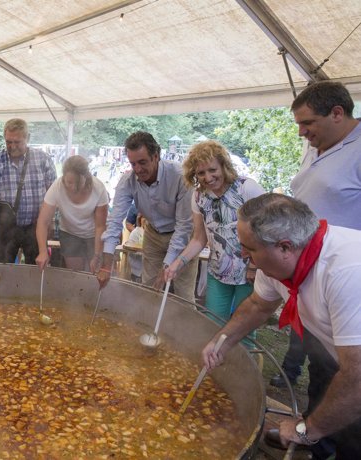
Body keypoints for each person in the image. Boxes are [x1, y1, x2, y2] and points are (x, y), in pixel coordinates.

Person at [201, 193, 361, 459]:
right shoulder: (276, 264)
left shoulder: (346, 271)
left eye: (249, 248)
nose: (242, 254)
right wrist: (222, 341)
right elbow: (257, 306)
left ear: (285, 247)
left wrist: (306, 430)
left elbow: (357, 377)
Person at [270, 80, 361, 390]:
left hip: (342, 276)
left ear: (337, 113)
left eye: (307, 123)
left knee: (336, 369)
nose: (301, 132)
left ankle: (322, 435)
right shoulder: (317, 145)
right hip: (306, 271)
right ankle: (311, 430)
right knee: (317, 357)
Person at [164, 141, 264, 329]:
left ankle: (243, 358)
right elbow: (199, 239)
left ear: (223, 166)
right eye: (201, 173)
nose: (208, 178)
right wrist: (177, 264)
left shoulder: (246, 188)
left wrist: (254, 266)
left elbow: (267, 229)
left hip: (249, 272)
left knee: (244, 328)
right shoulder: (198, 197)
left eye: (212, 170)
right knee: (212, 325)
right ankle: (217, 358)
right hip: (217, 271)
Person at [97, 131, 198, 302]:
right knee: (149, 290)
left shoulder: (180, 176)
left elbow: (184, 227)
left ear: (156, 156)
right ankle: (147, 328)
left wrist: (166, 266)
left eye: (142, 162)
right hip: (152, 234)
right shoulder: (127, 180)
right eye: (133, 163)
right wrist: (106, 266)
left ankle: (184, 326)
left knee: (184, 295)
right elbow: (114, 223)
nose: (137, 169)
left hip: (184, 238)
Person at [0, 118, 56, 264]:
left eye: (17, 142)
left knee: (35, 268)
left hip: (35, 225)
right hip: (5, 227)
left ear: (27, 138)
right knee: (0, 269)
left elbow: (52, 194)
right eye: (9, 142)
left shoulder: (43, 159)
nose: (12, 146)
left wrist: (50, 221)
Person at [35, 155, 108, 272]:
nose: (73, 187)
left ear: (86, 177)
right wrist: (43, 252)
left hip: (93, 235)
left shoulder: (98, 188)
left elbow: (100, 226)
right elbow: (43, 222)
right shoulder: (57, 187)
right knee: (76, 273)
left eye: (78, 183)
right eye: (69, 182)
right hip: (69, 233)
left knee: (94, 272)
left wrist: (97, 255)